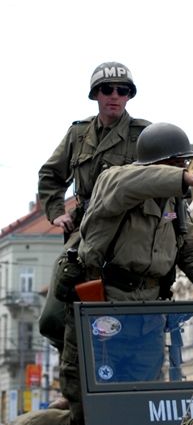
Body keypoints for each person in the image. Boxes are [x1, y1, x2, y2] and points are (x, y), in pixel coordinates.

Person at [59, 121, 193, 425]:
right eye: (177, 163)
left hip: (148, 319)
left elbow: (192, 250)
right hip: (101, 316)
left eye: (185, 163)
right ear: (155, 166)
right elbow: (129, 183)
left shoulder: (174, 205)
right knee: (94, 417)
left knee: (147, 406)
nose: (184, 169)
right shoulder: (114, 183)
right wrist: (184, 179)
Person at [37, 61, 150, 350]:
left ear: (129, 95)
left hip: (128, 232)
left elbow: (168, 178)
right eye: (106, 89)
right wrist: (56, 214)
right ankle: (74, 391)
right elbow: (50, 174)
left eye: (122, 90)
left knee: (117, 325)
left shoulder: (144, 135)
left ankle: (108, 386)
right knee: (53, 319)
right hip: (84, 230)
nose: (114, 95)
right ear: (95, 94)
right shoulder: (78, 134)